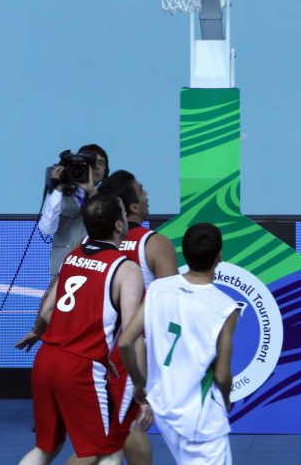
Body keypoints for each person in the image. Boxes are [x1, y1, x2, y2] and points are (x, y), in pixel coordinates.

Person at [16, 192, 147, 465]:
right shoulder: (126, 269)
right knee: (108, 450)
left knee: (45, 447)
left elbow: (48, 309)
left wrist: (37, 331)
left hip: (46, 359)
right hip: (81, 366)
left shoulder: (74, 256)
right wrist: (139, 385)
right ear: (119, 225)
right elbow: (131, 337)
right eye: (122, 211)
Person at [119, 223, 240, 465]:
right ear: (219, 256)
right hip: (201, 416)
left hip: (164, 406)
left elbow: (125, 342)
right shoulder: (225, 307)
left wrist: (139, 384)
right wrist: (226, 399)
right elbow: (223, 376)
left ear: (184, 253)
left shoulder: (157, 288)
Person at [99, 170, 179, 465]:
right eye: (142, 190)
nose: (146, 195)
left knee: (116, 433)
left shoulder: (90, 245)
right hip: (130, 353)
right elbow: (173, 308)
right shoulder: (154, 243)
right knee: (117, 436)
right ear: (132, 207)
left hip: (94, 350)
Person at [38, 144, 110, 279]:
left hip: (97, 271)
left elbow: (110, 229)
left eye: (101, 163)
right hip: (62, 271)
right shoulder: (59, 196)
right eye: (90, 163)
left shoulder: (111, 199)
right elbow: (46, 230)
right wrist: (58, 188)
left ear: (106, 171)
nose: (95, 167)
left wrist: (92, 192)